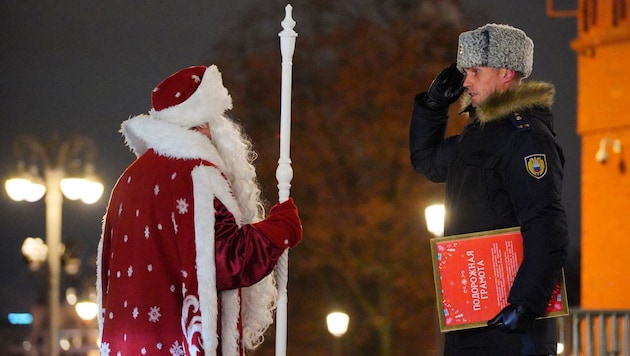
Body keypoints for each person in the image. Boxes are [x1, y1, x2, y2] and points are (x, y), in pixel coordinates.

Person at [97, 65, 302, 356]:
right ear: (206, 123)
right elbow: (229, 260)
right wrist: (281, 228)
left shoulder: (127, 181)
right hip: (177, 344)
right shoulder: (196, 174)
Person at [409, 24, 569, 355]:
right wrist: (434, 105)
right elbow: (427, 162)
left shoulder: (527, 139)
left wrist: (527, 304)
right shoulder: (477, 136)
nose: (466, 81)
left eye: (475, 71)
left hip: (512, 328)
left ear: (506, 72)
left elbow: (546, 225)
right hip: (470, 322)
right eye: (466, 71)